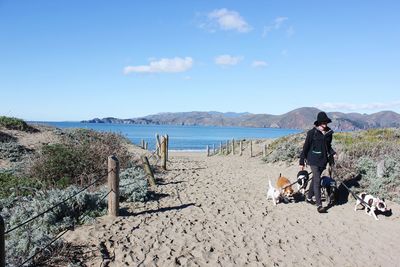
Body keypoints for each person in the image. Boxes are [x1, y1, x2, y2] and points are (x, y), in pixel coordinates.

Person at [299, 111, 336, 213]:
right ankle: (319, 205)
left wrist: (333, 153)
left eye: (326, 122)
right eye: (323, 122)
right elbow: (305, 147)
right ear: (319, 122)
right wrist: (301, 161)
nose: (324, 124)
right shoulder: (312, 133)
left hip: (323, 160)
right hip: (313, 160)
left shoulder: (329, 133)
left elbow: (328, 146)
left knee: (316, 178)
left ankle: (309, 197)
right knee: (317, 180)